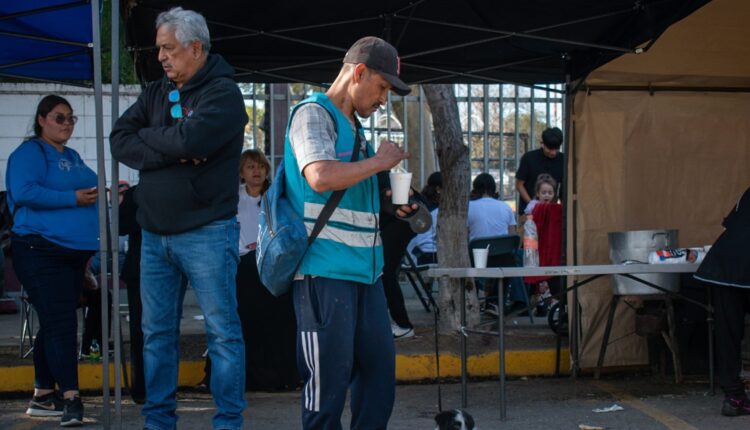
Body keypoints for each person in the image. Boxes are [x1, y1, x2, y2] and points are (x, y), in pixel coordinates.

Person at [109, 7, 248, 430]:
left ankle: (227, 423)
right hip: (153, 234)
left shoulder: (223, 93)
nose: (162, 57)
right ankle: (158, 423)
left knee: (222, 336)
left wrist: (156, 142)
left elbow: (193, 137)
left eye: (169, 49)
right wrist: (175, 152)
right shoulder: (154, 91)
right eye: (159, 50)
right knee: (156, 336)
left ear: (195, 47)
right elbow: (119, 140)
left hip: (207, 232)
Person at [284, 36, 414, 429]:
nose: (382, 100)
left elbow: (350, 196)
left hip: (366, 274)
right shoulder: (312, 113)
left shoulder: (354, 126)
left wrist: (393, 204)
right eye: (381, 88)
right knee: (327, 390)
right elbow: (320, 175)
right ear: (359, 73)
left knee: (378, 381)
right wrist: (379, 161)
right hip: (324, 273)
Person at [6, 94, 98, 426]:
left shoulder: (72, 155)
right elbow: (26, 191)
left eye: (71, 118)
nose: (67, 124)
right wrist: (72, 198)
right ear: (42, 119)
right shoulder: (29, 153)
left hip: (72, 253)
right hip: (39, 249)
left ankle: (43, 395)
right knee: (61, 322)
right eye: (60, 118)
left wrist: (108, 191)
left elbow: (91, 186)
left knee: (54, 319)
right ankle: (71, 397)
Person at [201, 149, 298, 391]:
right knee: (241, 321)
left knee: (277, 321)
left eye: (261, 167)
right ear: (242, 172)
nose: (257, 171)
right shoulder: (232, 196)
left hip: (272, 265)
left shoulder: (276, 197)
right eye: (250, 167)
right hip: (242, 265)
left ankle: (280, 377)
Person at [694, 186, 750, 417]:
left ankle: (734, 396)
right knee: (729, 332)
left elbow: (731, 224)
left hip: (724, 263)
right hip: (739, 263)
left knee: (728, 332)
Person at [515, 127, 565, 214]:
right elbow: (519, 185)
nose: (553, 153)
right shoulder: (529, 158)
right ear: (542, 144)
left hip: (551, 211)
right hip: (529, 212)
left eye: (556, 149)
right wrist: (532, 204)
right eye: (550, 148)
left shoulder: (563, 160)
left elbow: (564, 188)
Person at [468, 173, 516, 241]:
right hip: (503, 251)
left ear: (474, 189)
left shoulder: (468, 207)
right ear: (494, 188)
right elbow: (512, 236)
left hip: (477, 251)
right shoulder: (506, 207)